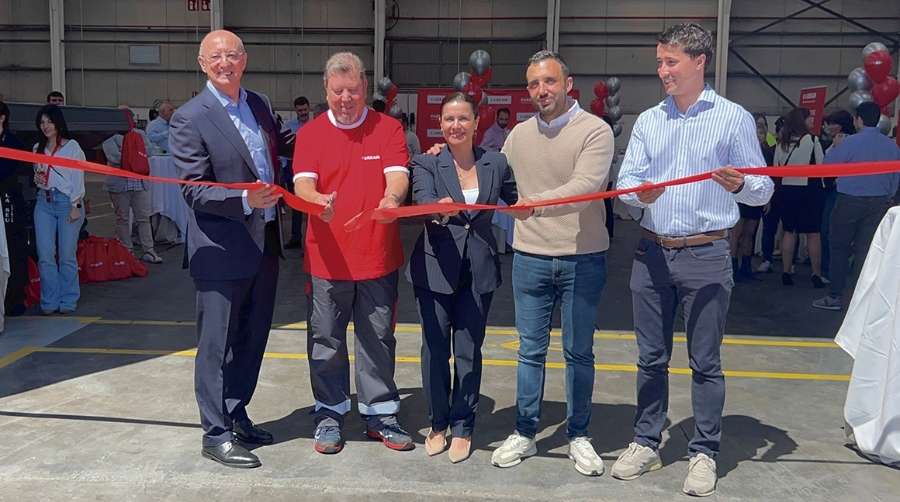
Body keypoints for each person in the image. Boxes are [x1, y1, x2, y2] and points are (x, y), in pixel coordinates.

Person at [614, 23, 773, 497]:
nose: (662, 70)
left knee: (705, 360)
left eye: (671, 62)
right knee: (650, 357)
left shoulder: (733, 118)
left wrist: (741, 185)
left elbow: (763, 187)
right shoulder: (647, 121)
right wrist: (639, 197)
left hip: (706, 252)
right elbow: (626, 191)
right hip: (651, 252)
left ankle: (704, 450)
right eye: (660, 61)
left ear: (699, 62)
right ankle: (646, 439)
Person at [169, 30, 292, 469]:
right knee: (216, 344)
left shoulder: (258, 103)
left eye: (233, 55)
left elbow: (281, 153)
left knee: (252, 338)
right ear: (202, 63)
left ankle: (236, 410)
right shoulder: (189, 117)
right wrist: (244, 200)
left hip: (266, 242)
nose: (226, 63)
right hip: (220, 248)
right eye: (216, 56)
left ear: (245, 59)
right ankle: (214, 433)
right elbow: (192, 188)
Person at [487, 50, 613, 477]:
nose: (542, 91)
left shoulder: (595, 131)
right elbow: (492, 171)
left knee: (579, 353)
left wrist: (533, 205)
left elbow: (584, 186)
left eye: (549, 82)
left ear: (568, 82)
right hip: (531, 259)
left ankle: (578, 435)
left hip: (583, 259)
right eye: (534, 85)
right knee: (530, 352)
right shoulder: (518, 135)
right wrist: (445, 157)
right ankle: (525, 432)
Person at [292, 51, 412, 455]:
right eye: (338, 91)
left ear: (365, 89)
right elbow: (302, 185)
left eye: (354, 91)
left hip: (377, 256)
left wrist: (393, 199)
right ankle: (330, 412)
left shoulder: (388, 128)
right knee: (325, 339)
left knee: (377, 337)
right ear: (326, 90)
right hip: (327, 261)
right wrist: (317, 200)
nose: (346, 99)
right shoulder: (310, 134)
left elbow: (397, 175)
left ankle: (380, 413)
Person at [407, 92, 517, 464]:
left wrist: (528, 209)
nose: (456, 126)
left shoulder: (497, 163)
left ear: (476, 123)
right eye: (449, 119)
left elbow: (516, 200)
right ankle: (437, 422)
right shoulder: (425, 162)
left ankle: (463, 425)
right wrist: (436, 212)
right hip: (436, 266)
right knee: (435, 349)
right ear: (440, 124)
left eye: (463, 119)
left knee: (468, 351)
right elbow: (423, 199)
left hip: (479, 268)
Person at [813, 102, 900, 311]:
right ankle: (862, 301)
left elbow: (828, 165)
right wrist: (888, 197)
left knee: (839, 248)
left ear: (858, 120)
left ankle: (835, 296)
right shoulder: (891, 145)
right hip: (879, 201)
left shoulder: (850, 142)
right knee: (867, 251)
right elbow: (895, 176)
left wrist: (835, 145)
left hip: (850, 199)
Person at [31, 105, 86, 315]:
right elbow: (38, 176)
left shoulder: (72, 147)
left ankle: (68, 299)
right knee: (44, 254)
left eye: (49, 121)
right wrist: (37, 179)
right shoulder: (38, 148)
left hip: (66, 203)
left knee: (66, 254)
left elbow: (78, 177)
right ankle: (49, 300)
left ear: (58, 123)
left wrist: (75, 205)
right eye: (42, 122)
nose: (46, 126)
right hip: (44, 201)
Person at [101, 106, 163, 264]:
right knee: (122, 219)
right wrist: (136, 152)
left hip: (139, 184)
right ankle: (127, 251)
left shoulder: (140, 134)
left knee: (143, 218)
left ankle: (149, 250)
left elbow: (149, 151)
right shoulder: (110, 136)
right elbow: (114, 156)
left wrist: (128, 152)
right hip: (119, 185)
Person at [774, 108, 826, 288]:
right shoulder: (813, 140)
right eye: (809, 118)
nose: (812, 120)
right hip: (809, 190)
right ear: (802, 121)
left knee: (789, 231)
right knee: (813, 234)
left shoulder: (782, 143)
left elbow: (776, 168)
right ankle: (816, 274)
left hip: (787, 190)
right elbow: (822, 166)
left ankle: (786, 271)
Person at [730, 123, 773, 282]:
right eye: (757, 132)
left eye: (762, 132)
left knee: (749, 233)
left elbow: (769, 177)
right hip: (740, 195)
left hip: (757, 197)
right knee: (736, 232)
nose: (759, 135)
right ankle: (733, 268)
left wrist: (767, 198)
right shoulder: (739, 152)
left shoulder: (767, 153)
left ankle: (746, 267)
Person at [820, 110, 856, 281]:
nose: (830, 127)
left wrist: (836, 146)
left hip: (840, 191)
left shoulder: (844, 140)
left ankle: (830, 270)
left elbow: (829, 162)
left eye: (834, 123)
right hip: (837, 190)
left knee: (830, 231)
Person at [0, 101, 27, 317]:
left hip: (8, 199)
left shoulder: (12, 142)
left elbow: (10, 170)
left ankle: (16, 296)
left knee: (12, 246)